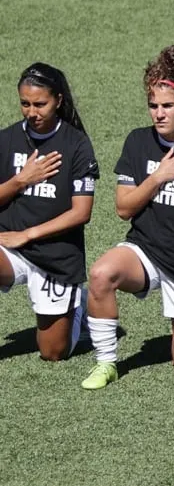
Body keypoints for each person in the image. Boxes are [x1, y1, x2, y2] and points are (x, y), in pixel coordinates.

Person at [81, 45, 174, 389]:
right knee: (102, 273)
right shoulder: (137, 142)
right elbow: (123, 209)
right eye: (153, 106)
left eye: (168, 106)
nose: (159, 114)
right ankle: (106, 363)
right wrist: (158, 177)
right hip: (146, 250)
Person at [0, 63, 98, 360]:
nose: (32, 112)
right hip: (8, 247)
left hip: (55, 256)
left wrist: (27, 234)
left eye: (40, 104)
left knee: (53, 353)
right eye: (25, 104)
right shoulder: (6, 140)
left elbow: (81, 213)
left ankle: (77, 308)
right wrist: (21, 180)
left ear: (58, 100)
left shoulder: (77, 145)